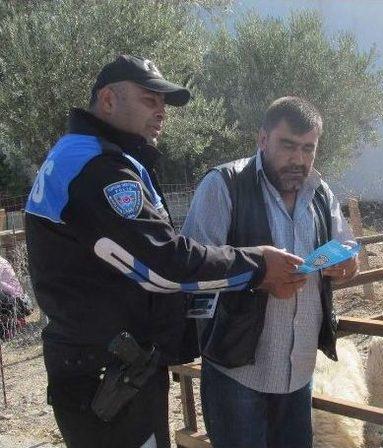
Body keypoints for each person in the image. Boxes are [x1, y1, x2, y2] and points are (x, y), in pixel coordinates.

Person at [24, 55, 305, 448]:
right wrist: (259, 264)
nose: (161, 113)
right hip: (105, 375)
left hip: (103, 365)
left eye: (163, 104)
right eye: (149, 100)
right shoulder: (98, 167)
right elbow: (164, 264)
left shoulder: (86, 154)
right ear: (108, 100)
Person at [181, 96, 359, 448]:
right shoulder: (223, 185)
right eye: (288, 145)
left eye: (308, 148)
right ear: (263, 139)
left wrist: (347, 264)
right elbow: (191, 271)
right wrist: (257, 279)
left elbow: (347, 244)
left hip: (300, 376)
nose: (298, 158)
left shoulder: (321, 193)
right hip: (237, 373)